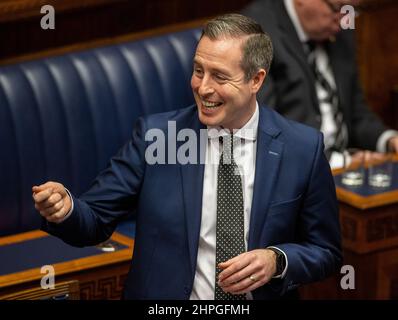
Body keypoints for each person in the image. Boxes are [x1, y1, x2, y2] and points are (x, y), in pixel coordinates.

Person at [32, 14, 341, 300]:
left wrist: (276, 260)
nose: (202, 87)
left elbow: (326, 251)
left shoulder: (302, 149)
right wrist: (67, 209)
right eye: (198, 70)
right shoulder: (159, 138)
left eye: (219, 76)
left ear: (256, 80)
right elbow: (95, 220)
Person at [242, 0, 398, 167]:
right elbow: (264, 131)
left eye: (352, 10)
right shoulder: (254, 33)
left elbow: (356, 113)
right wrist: (342, 162)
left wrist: (388, 139)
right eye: (338, 8)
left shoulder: (341, 29)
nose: (345, 19)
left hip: (347, 168)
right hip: (294, 172)